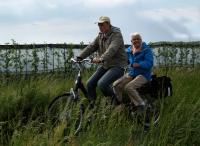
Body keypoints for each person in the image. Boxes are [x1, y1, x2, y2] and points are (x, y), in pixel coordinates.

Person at [77, 16, 127, 107]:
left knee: (102, 84)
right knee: (90, 84)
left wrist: (101, 58)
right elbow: (91, 47)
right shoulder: (100, 35)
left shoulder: (116, 34)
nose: (100, 26)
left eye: (102, 24)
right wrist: (80, 57)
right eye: (99, 24)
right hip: (106, 65)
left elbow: (112, 49)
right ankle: (93, 107)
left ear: (108, 24)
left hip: (118, 65)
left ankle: (117, 105)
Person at [113, 32, 154, 112]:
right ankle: (120, 105)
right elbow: (124, 59)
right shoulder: (129, 50)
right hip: (132, 73)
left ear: (141, 40)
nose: (136, 41)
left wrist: (139, 64)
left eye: (138, 39)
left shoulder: (146, 49)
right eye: (134, 39)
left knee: (128, 87)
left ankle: (141, 105)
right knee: (116, 85)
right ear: (131, 41)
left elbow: (150, 63)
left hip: (144, 74)